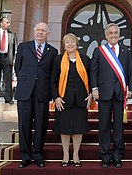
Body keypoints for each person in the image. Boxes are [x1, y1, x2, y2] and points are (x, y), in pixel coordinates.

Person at [14, 22, 58, 168]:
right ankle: (25, 156)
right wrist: (24, 80)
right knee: (24, 124)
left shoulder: (53, 51)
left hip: (42, 92)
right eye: (38, 30)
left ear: (48, 34)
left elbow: (53, 74)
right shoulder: (23, 47)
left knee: (40, 125)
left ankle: (38, 155)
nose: (40, 33)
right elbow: (17, 66)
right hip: (25, 91)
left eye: (43, 31)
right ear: (34, 31)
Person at [90, 23, 132, 168]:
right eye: (111, 33)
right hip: (104, 93)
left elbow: (130, 72)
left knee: (118, 126)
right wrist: (94, 88)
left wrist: (131, 89)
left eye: (116, 33)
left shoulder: (127, 52)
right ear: (106, 35)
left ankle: (117, 155)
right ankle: (104, 155)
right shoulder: (99, 51)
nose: (113, 35)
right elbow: (93, 72)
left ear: (119, 35)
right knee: (103, 125)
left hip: (120, 93)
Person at [50, 33, 92, 167]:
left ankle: (76, 154)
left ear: (77, 44)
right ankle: (66, 154)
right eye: (67, 42)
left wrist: (91, 94)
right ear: (64, 45)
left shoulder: (85, 59)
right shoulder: (58, 60)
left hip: (81, 100)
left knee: (78, 129)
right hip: (63, 100)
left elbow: (91, 79)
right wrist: (56, 97)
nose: (70, 44)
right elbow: (53, 81)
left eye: (72, 42)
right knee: (65, 129)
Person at [0, 17, 17, 104]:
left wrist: (13, 59)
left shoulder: (12, 35)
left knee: (7, 79)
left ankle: (8, 98)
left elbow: (15, 49)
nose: (9, 24)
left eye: (9, 22)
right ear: (1, 23)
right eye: (7, 22)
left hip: (7, 58)